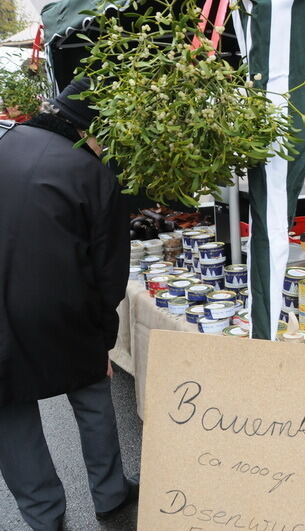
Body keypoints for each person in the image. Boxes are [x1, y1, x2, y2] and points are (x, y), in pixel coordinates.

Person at [0, 78, 137, 530]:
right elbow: (108, 272)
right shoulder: (91, 171)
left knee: (9, 416)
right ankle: (109, 493)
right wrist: (105, 341)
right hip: (65, 312)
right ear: (91, 132)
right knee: (92, 392)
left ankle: (44, 518)